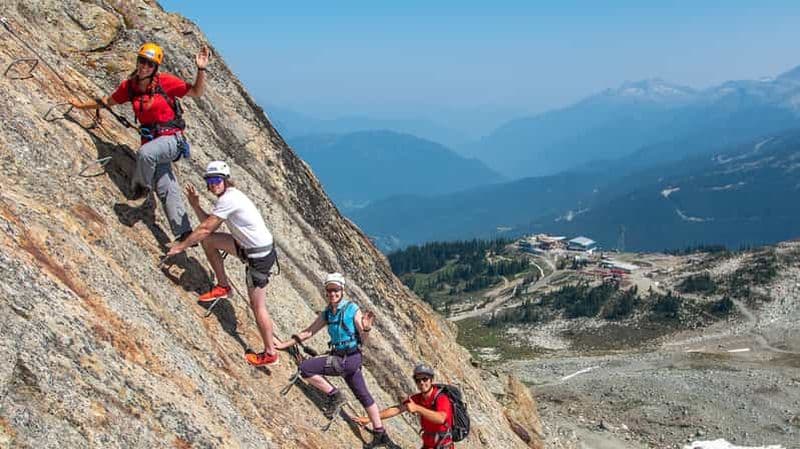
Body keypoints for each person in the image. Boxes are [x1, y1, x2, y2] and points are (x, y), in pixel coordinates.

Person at [70, 42, 210, 244]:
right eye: (142, 61)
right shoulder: (130, 87)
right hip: (154, 143)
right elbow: (107, 102)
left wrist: (201, 69)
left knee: (145, 154)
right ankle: (184, 233)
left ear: (155, 68)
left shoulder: (165, 82)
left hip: (172, 141)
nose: (145, 66)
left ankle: (140, 189)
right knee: (165, 185)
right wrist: (80, 106)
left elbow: (196, 92)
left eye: (150, 64)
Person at [167, 161, 279, 366]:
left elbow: (205, 228)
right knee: (208, 242)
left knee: (258, 306)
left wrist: (181, 247)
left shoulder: (229, 199)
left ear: (225, 180)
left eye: (216, 180)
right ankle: (223, 286)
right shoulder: (230, 196)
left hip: (258, 256)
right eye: (209, 181)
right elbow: (207, 228)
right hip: (251, 248)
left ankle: (270, 352)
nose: (213, 184)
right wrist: (195, 206)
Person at [275, 273, 395, 449]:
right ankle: (380, 433)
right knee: (364, 395)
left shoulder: (352, 309)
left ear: (342, 290)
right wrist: (285, 343)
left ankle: (334, 394)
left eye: (336, 290)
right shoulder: (327, 313)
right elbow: (309, 332)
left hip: (347, 358)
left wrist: (367, 329)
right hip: (348, 360)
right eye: (330, 290)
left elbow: (363, 335)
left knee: (305, 368)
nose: (333, 293)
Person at [355, 363, 454, 449]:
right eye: (418, 380)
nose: (422, 383)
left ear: (431, 380)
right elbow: (396, 409)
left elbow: (441, 418)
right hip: (428, 445)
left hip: (442, 445)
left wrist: (417, 408)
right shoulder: (417, 398)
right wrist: (370, 419)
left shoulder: (441, 398)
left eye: (425, 379)